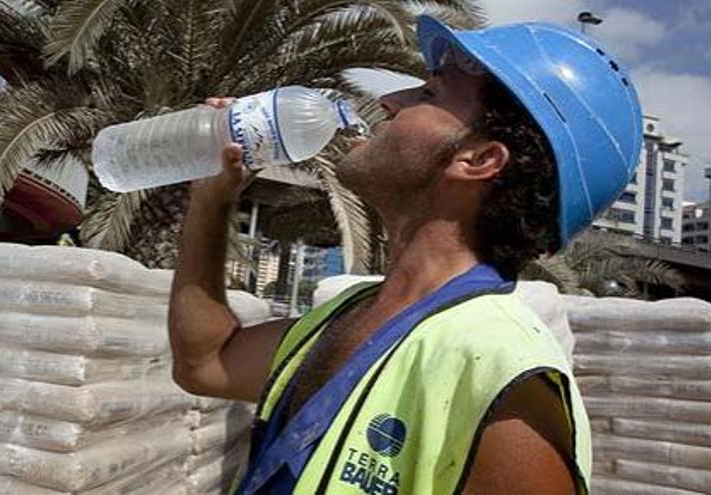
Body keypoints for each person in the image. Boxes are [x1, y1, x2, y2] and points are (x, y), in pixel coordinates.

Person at [168, 15, 642, 495]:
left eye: (429, 94)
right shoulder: (346, 317)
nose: (388, 101)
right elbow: (205, 362)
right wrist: (211, 201)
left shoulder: (507, 377)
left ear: (478, 160)